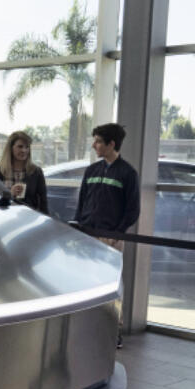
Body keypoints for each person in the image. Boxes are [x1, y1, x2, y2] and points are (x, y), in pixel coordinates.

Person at [72, 122, 139, 348]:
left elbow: (132, 209)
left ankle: (113, 332)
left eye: (99, 141)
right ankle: (86, 328)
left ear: (112, 144)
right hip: (87, 237)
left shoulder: (128, 173)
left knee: (111, 286)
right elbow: (82, 204)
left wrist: (117, 234)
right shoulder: (91, 171)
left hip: (111, 238)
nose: (94, 145)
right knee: (85, 282)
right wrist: (80, 228)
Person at [0, 130, 48, 214]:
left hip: (28, 218)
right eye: (20, 146)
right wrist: (10, 194)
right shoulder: (0, 171)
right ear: (11, 148)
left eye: (27, 147)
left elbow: (43, 202)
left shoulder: (36, 172)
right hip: (4, 218)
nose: (24, 150)